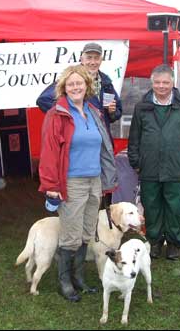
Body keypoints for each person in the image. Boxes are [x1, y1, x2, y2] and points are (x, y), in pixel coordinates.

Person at [38, 64, 117, 302]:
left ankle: (80, 278)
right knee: (71, 235)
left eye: (79, 83)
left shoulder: (93, 111)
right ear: (63, 87)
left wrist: (107, 177)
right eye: (70, 84)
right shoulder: (57, 113)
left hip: (94, 179)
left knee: (86, 233)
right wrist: (51, 184)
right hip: (71, 181)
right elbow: (49, 151)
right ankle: (65, 281)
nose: (75, 87)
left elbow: (104, 147)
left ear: (87, 86)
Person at [127, 64, 180, 260]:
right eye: (157, 82)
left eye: (166, 82)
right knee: (151, 205)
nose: (161, 86)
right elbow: (134, 137)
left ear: (173, 83)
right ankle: (153, 242)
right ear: (152, 83)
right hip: (149, 167)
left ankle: (174, 243)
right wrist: (135, 160)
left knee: (174, 206)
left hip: (174, 166)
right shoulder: (142, 107)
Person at [36, 42, 122, 209]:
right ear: (81, 58)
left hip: (99, 143)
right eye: (89, 57)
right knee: (76, 201)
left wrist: (111, 112)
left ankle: (99, 225)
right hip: (78, 146)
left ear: (101, 60)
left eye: (96, 58)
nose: (92, 61)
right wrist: (70, 115)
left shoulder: (106, 83)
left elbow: (117, 111)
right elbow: (43, 100)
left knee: (99, 191)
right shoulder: (72, 79)